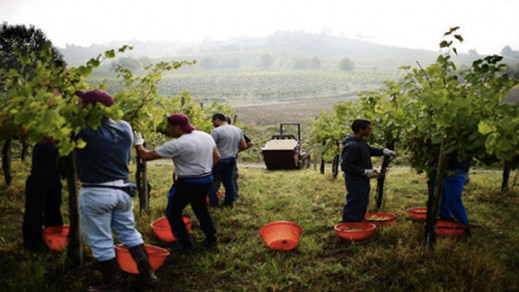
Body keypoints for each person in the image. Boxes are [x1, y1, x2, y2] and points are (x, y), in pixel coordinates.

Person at [74, 89, 157, 288]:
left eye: (81, 103)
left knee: (100, 241)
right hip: (122, 191)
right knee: (129, 233)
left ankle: (113, 285)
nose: (78, 106)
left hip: (96, 193)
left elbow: (61, 123)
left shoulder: (84, 130)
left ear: (92, 109)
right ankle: (149, 275)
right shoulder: (125, 127)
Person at [134, 113, 219, 253]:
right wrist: (204, 170)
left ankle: (185, 245)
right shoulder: (205, 136)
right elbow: (216, 157)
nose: (167, 129)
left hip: (187, 182)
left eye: (169, 126)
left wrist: (138, 142)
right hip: (206, 179)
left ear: (178, 127)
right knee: (201, 209)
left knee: (173, 212)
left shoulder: (177, 144)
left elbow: (145, 155)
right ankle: (211, 238)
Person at [340, 119, 396, 222]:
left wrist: (383, 151)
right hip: (355, 180)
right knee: (354, 202)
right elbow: (346, 166)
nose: (371, 130)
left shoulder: (360, 142)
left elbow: (369, 150)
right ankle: (349, 225)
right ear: (361, 130)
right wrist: (364, 171)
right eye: (369, 128)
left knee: (361, 202)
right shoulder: (352, 146)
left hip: (362, 179)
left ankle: (358, 222)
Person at [22, 141, 63, 252]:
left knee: (38, 214)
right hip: (45, 182)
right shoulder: (51, 146)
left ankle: (37, 245)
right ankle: (47, 244)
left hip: (41, 181)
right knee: (48, 213)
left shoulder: (42, 144)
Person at [207, 113, 247, 207]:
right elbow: (244, 145)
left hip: (219, 160)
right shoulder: (237, 130)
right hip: (232, 159)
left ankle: (213, 202)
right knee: (228, 181)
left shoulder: (216, 131)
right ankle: (229, 203)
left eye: (213, 121)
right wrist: (234, 151)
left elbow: (209, 146)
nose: (213, 123)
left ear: (217, 119)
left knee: (210, 181)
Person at [438, 152, 471, 235]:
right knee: (442, 198)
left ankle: (464, 227)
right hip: (442, 169)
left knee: (453, 201)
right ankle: (445, 220)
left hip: (456, 170)